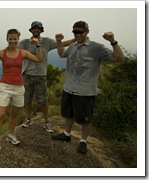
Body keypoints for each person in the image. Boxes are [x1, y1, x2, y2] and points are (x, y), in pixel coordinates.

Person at [52, 20, 124, 154]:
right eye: (75, 32)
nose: (78, 34)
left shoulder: (96, 48)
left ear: (87, 32)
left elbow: (119, 58)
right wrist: (58, 42)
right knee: (69, 113)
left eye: (81, 32)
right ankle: (67, 134)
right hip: (69, 87)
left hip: (85, 91)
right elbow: (62, 54)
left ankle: (83, 141)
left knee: (86, 119)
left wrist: (113, 41)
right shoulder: (73, 46)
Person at [0, 29, 43, 156]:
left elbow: (39, 59)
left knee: (14, 114)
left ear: (18, 39)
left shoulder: (23, 53)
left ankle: (10, 134)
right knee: (0, 115)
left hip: (19, 87)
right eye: (11, 39)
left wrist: (37, 45)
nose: (13, 41)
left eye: (15, 39)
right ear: (7, 39)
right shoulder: (2, 53)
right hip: (5, 87)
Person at [18, 21, 75, 133]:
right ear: (31, 30)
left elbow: (61, 44)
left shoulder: (47, 42)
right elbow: (13, 45)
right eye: (34, 28)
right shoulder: (24, 42)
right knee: (27, 99)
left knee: (43, 100)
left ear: (41, 30)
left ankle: (47, 121)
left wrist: (76, 39)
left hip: (41, 75)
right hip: (27, 75)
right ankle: (28, 118)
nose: (36, 30)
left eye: (38, 28)